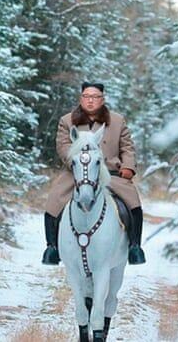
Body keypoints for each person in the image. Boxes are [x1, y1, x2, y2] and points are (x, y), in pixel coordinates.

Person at [42, 81, 146, 265]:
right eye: (86, 97)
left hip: (111, 174)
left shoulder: (117, 121)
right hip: (77, 173)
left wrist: (128, 166)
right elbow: (63, 146)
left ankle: (134, 247)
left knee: (133, 205)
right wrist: (76, 162)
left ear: (102, 99)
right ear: (81, 98)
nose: (90, 101)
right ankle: (52, 248)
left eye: (95, 97)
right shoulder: (67, 121)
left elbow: (127, 147)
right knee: (54, 202)